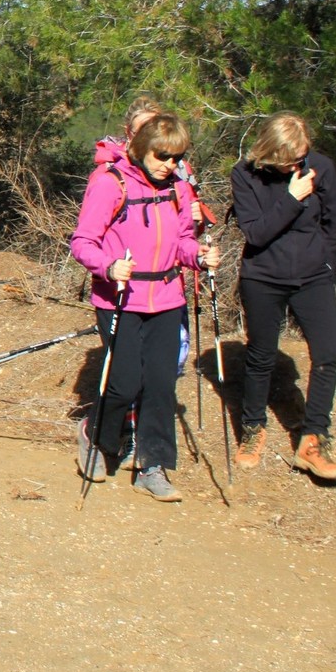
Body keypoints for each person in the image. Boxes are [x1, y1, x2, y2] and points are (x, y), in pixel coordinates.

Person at [70, 114, 220, 501]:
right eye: (162, 155)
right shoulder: (111, 183)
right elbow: (83, 241)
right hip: (120, 297)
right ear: (141, 148)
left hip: (167, 297)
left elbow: (183, 241)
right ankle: (95, 436)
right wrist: (108, 266)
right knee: (124, 383)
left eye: (177, 157)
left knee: (160, 385)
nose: (170, 164)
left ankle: (152, 466)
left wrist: (198, 256)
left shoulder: (178, 189)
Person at [230, 112, 336, 480]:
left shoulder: (321, 168)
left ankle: (314, 438)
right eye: (289, 159)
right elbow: (256, 233)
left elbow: (333, 225)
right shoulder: (245, 175)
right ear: (270, 152)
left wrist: (326, 266)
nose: (298, 165)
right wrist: (292, 198)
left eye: (301, 156)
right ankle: (253, 427)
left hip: (313, 277)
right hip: (263, 277)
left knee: (327, 355)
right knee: (261, 355)